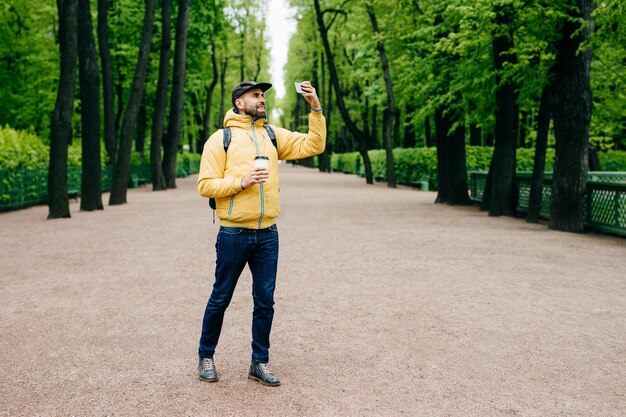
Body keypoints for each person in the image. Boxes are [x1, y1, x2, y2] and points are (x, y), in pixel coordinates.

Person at [196, 80, 326, 386]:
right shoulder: (221, 140)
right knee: (221, 297)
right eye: (256, 95)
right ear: (240, 102)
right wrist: (242, 182)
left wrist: (315, 108)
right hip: (233, 234)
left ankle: (260, 362)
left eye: (263, 95)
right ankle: (205, 355)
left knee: (265, 301)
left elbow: (314, 145)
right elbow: (205, 185)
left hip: (268, 233)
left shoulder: (272, 135)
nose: (262, 99)